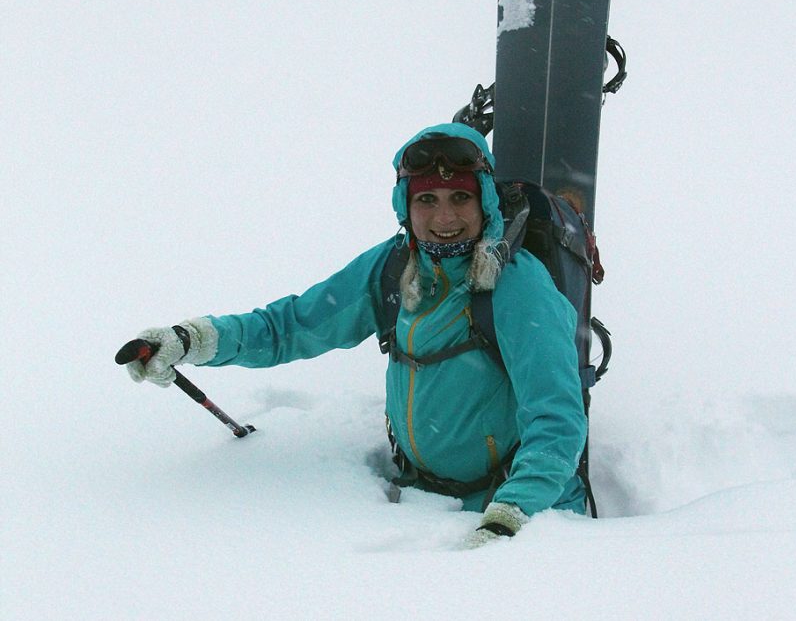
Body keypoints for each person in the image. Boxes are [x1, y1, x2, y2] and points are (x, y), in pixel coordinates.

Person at [126, 122, 587, 547]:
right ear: (405, 206)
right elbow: (291, 326)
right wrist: (194, 340)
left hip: (523, 515)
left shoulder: (517, 285)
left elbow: (556, 417)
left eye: (459, 198)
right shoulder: (392, 268)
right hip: (422, 504)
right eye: (427, 200)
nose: (445, 217)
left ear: (483, 200)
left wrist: (510, 515)